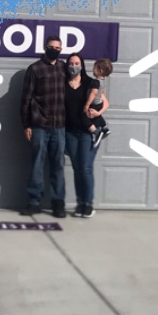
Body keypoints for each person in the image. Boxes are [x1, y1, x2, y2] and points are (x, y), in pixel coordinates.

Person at [20, 35, 67, 218]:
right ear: (45, 47)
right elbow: (26, 98)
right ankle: (34, 202)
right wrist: (26, 124)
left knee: (58, 166)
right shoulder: (35, 69)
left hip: (60, 126)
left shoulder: (64, 68)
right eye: (51, 46)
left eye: (58, 47)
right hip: (39, 125)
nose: (54, 49)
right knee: (37, 165)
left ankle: (58, 203)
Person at [63, 53, 97, 218]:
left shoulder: (90, 83)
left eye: (77, 63)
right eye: (71, 63)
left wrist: (98, 111)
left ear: (82, 65)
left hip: (87, 132)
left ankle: (88, 203)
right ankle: (81, 204)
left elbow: (103, 101)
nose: (74, 66)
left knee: (86, 168)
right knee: (77, 168)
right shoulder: (62, 84)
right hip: (70, 132)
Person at [86, 58, 113, 152]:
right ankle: (105, 127)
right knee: (97, 116)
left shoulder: (95, 82)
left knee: (85, 117)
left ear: (99, 70)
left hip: (94, 103)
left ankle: (96, 133)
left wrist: (87, 104)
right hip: (100, 103)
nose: (93, 69)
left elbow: (93, 93)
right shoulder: (103, 82)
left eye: (94, 68)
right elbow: (102, 93)